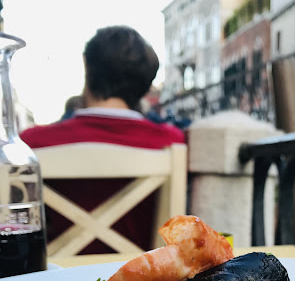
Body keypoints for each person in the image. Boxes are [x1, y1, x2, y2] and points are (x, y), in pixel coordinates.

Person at [21, 26, 186, 253]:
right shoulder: (171, 141)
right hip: (141, 274)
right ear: (146, 83)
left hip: (57, 273)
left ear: (86, 66)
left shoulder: (29, 144)